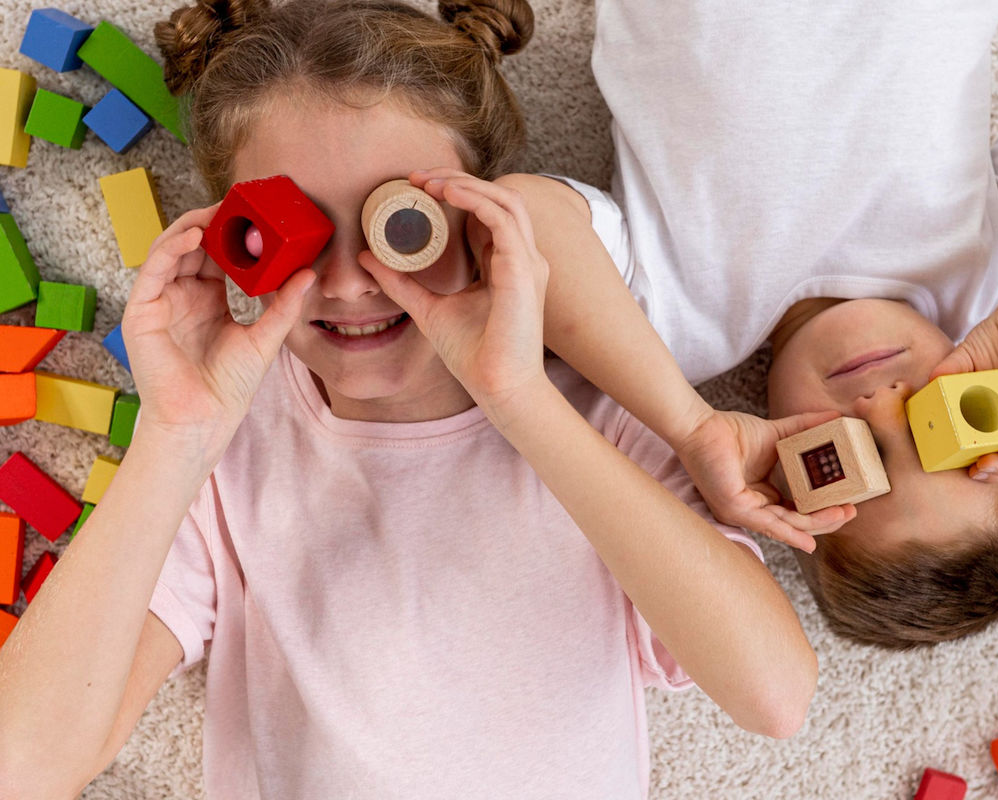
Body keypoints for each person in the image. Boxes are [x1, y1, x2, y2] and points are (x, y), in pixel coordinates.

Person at [0, 2, 828, 797]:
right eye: (294, 233)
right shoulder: (222, 453)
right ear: (230, 239)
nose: (352, 281)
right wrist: (176, 433)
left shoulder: (595, 426)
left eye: (402, 225)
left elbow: (774, 697)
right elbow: (23, 769)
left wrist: (518, 398)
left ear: (480, 217)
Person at [407, 2, 998, 647]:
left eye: (852, 459)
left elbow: (521, 220)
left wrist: (687, 425)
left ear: (785, 475)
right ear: (996, 409)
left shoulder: (680, 327)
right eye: (938, 427)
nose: (881, 405)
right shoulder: (987, 296)